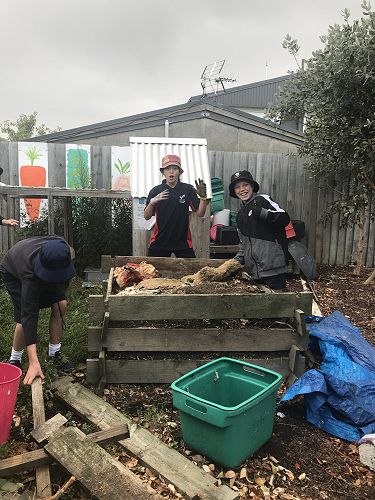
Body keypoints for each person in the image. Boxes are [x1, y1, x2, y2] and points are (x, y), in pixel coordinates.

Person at [0, 236, 76, 385]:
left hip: (47, 265)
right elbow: (29, 315)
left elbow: (64, 281)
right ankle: (15, 359)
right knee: (23, 317)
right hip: (12, 271)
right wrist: (34, 362)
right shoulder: (28, 274)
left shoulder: (66, 253)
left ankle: (54, 353)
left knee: (61, 304)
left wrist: (59, 293)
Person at [229, 170, 290, 290]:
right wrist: (235, 262)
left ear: (252, 186)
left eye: (245, 185)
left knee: (280, 302)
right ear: (234, 191)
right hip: (254, 271)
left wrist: (263, 213)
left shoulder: (263, 200)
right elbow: (243, 243)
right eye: (237, 187)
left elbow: (284, 219)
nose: (242, 189)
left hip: (273, 266)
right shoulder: (240, 214)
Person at [144, 154, 208, 257]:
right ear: (163, 172)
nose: (171, 171)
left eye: (174, 168)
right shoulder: (156, 191)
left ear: (179, 172)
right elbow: (146, 217)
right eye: (168, 169)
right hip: (160, 241)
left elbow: (200, 213)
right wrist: (152, 202)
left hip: (183, 242)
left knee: (191, 272)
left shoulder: (188, 189)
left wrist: (203, 198)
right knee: (150, 271)